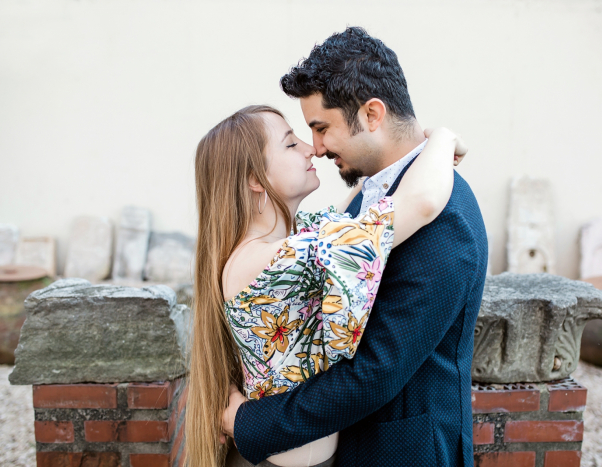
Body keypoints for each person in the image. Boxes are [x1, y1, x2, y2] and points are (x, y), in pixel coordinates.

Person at [222, 27, 489, 467]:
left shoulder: (446, 219)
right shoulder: (374, 197)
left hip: (405, 453)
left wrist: (251, 423)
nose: (318, 147)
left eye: (322, 128)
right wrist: (440, 139)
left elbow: (374, 372)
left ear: (372, 114)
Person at [185, 102, 466, 467]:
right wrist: (442, 139)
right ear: (255, 178)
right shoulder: (263, 262)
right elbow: (421, 203)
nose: (310, 148)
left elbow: (362, 202)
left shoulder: (289, 243)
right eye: (290, 144)